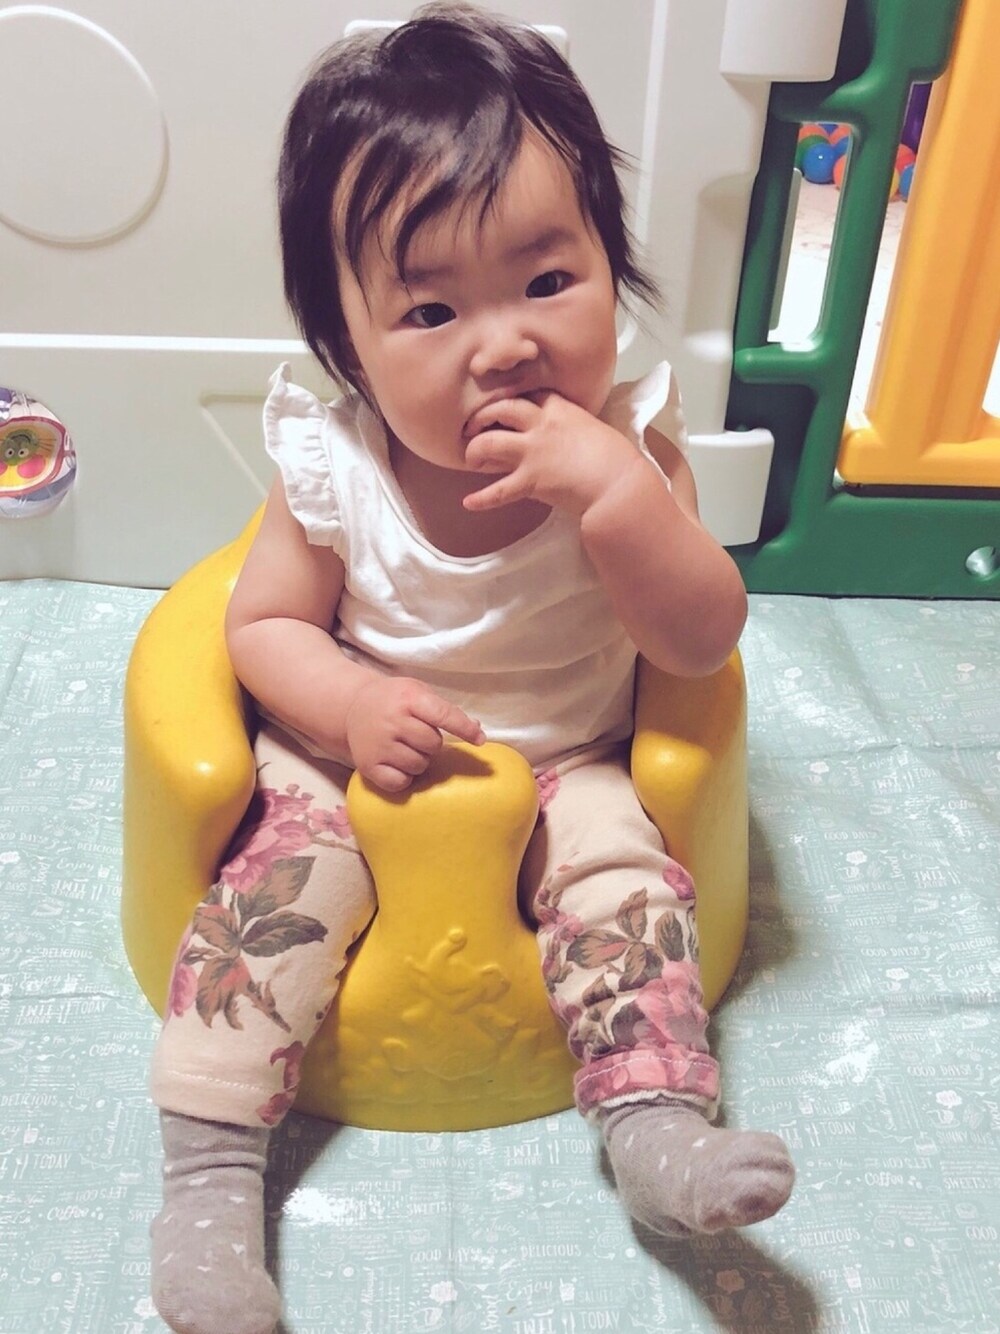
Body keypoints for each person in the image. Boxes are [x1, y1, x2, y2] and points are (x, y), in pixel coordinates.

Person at [147, 5, 794, 1330]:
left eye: (548, 282)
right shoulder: (336, 465)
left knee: (626, 889)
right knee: (269, 906)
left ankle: (656, 1130)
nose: (502, 344)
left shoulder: (632, 446)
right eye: (432, 309)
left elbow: (700, 640)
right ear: (351, 347)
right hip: (351, 762)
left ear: (610, 266)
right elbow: (262, 631)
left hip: (573, 759)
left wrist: (620, 501)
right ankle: (209, 1182)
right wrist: (349, 703)